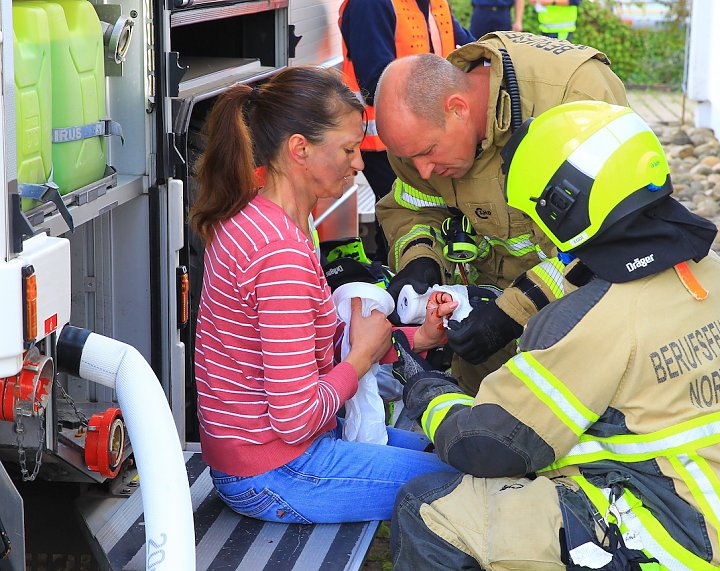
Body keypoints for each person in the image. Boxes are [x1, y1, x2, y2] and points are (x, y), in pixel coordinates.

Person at [387, 101, 720, 570]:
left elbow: (490, 444)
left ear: (564, 203)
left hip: (680, 546)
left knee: (429, 507)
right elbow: (577, 275)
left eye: (539, 211)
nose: (540, 228)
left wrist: (424, 388)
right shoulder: (711, 272)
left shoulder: (599, 316)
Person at [189, 66, 461, 524]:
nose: (359, 163)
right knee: (465, 483)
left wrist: (416, 340)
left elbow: (316, 341)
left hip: (261, 459)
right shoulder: (280, 255)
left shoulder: (262, 217)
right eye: (349, 150)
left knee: (459, 453)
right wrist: (359, 360)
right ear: (300, 150)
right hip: (276, 472)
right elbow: (296, 419)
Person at [374, 32, 628, 394]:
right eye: (409, 158)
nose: (423, 170)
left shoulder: (575, 97)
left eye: (428, 151)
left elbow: (608, 243)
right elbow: (411, 206)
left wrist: (513, 311)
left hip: (584, 335)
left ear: (458, 108)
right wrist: (420, 259)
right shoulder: (420, 139)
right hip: (484, 340)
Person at [338, 0, 474, 262]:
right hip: (387, 142)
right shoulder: (371, 5)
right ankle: (397, 275)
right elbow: (375, 80)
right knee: (402, 213)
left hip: (425, 138)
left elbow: (470, 50)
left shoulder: (434, 3)